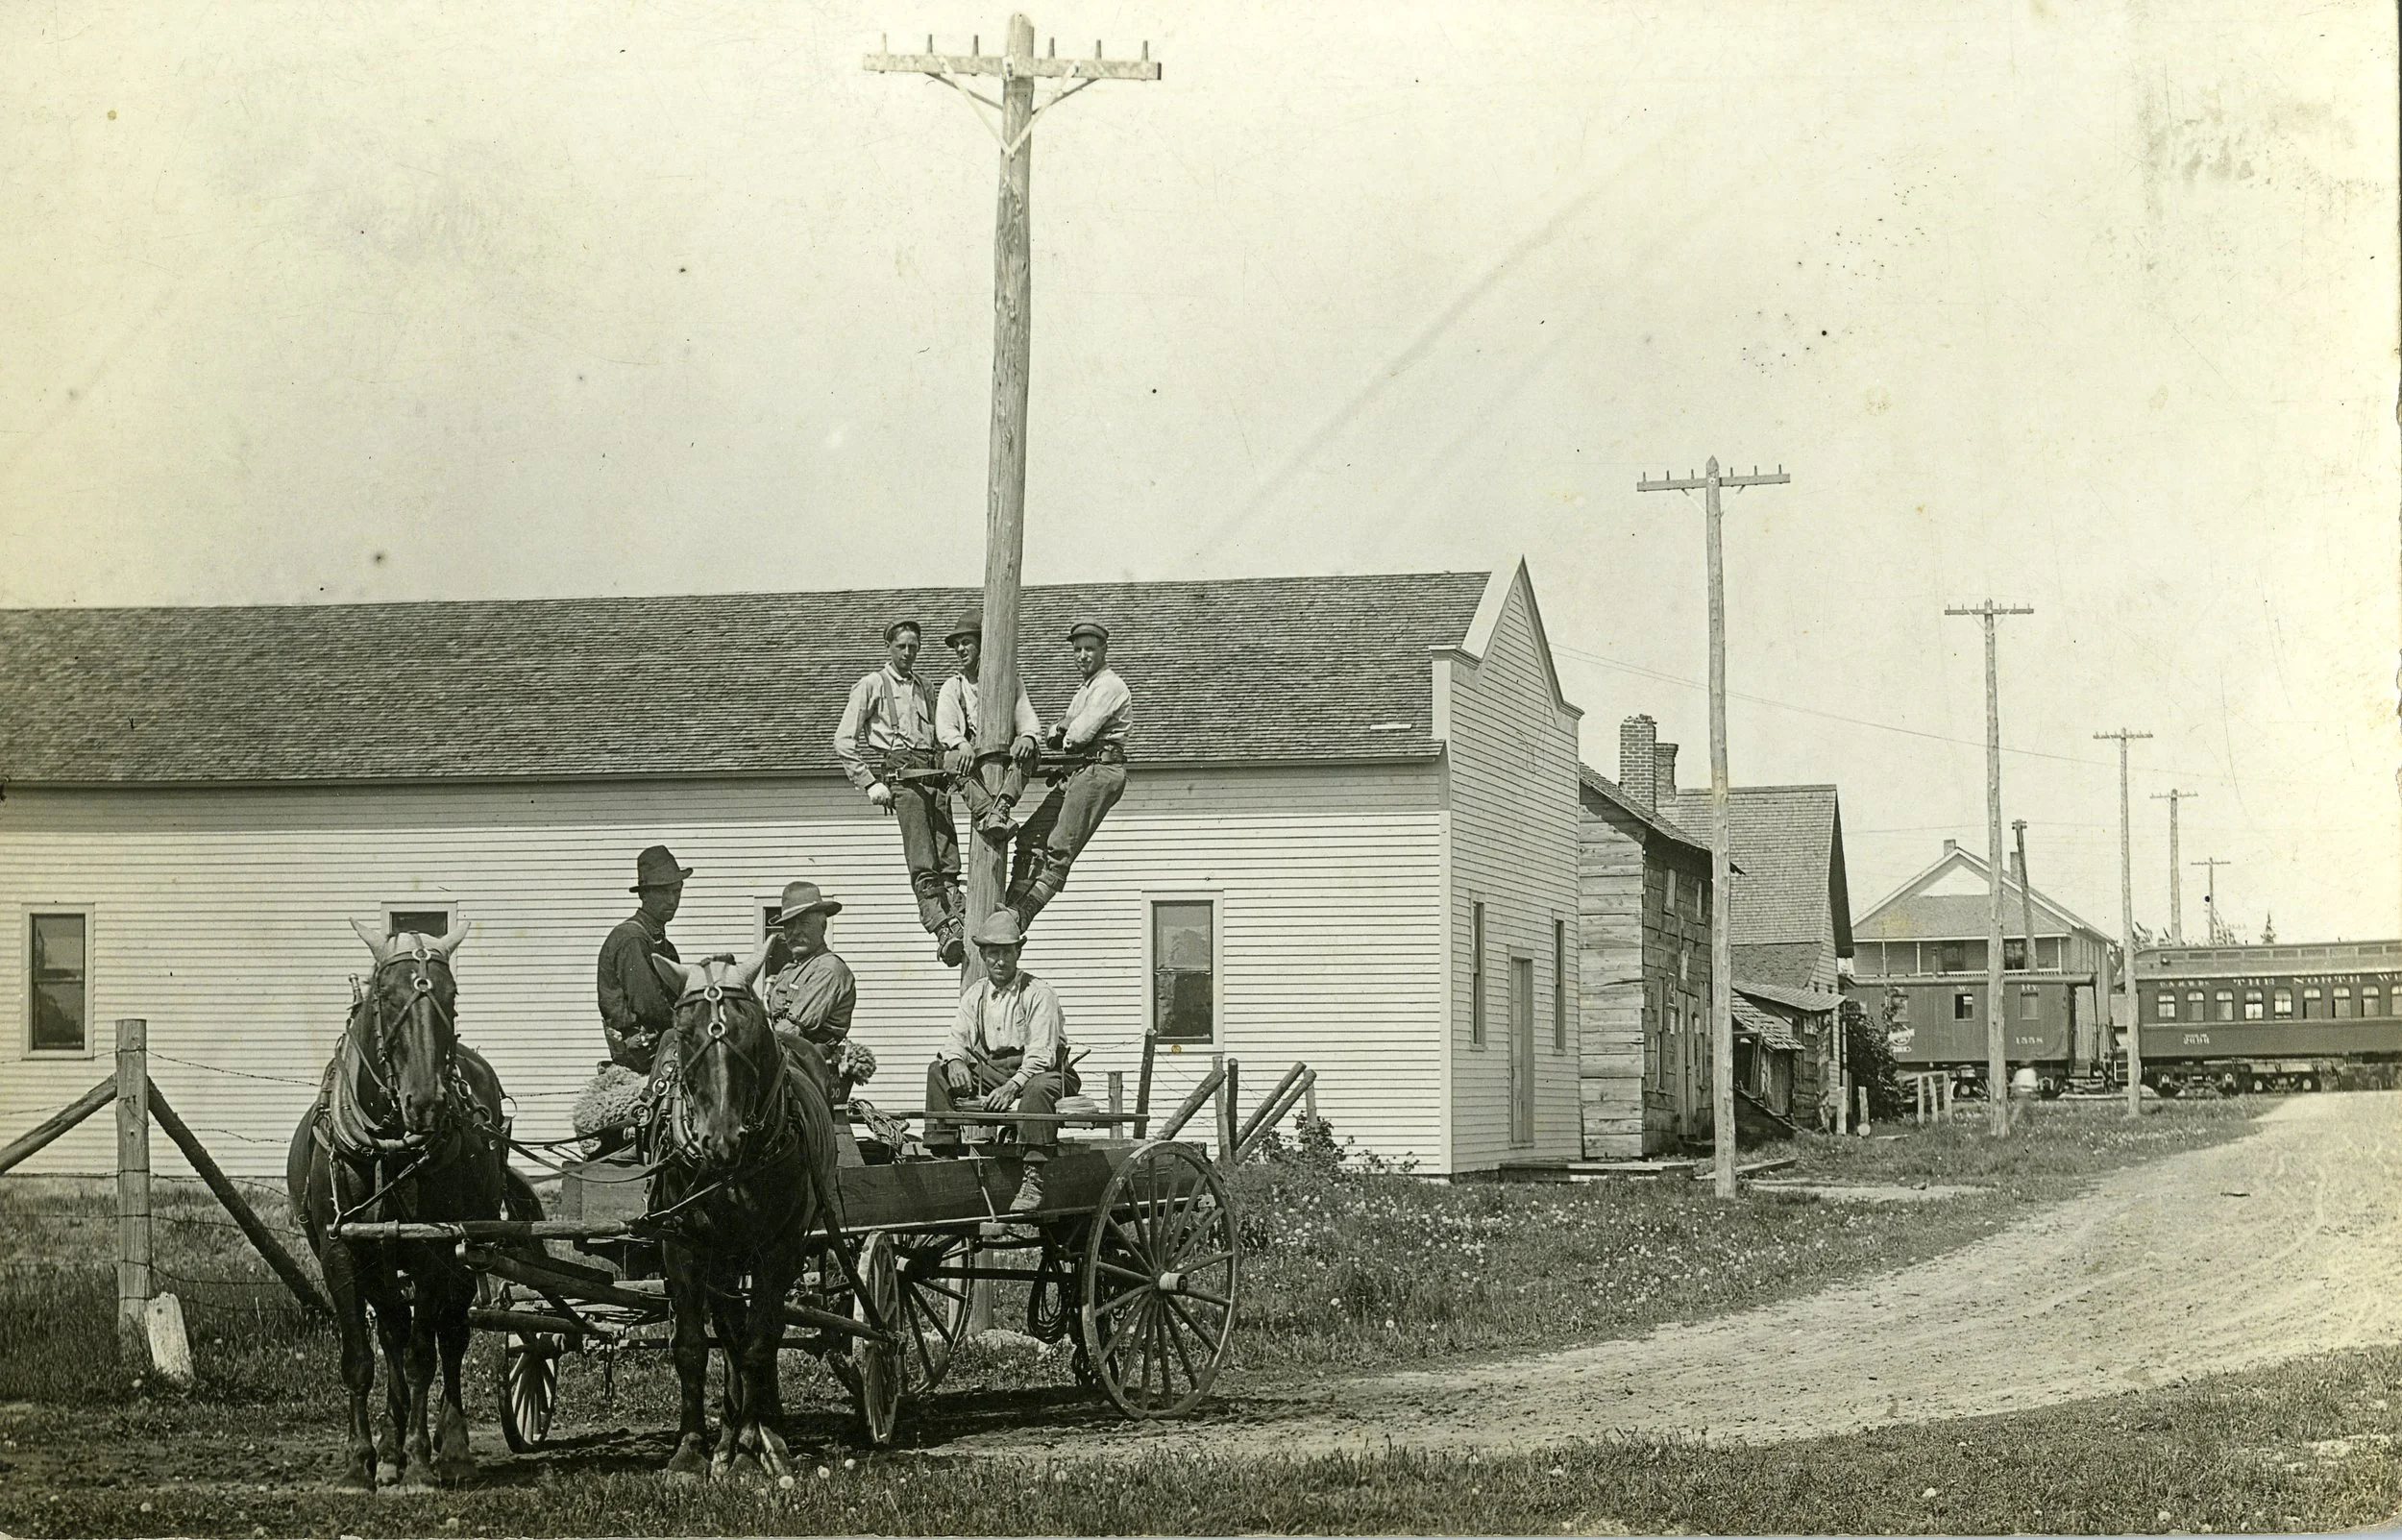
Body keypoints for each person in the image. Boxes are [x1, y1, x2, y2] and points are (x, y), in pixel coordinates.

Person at [924, 910, 1079, 1212]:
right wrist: (955, 1061)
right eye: (992, 952)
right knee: (937, 1071)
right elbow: (956, 1037)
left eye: (1006, 952)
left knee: (1036, 1090)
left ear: (1018, 951)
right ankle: (942, 1161)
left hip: (1047, 1072)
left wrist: (1012, 1087)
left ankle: (1033, 1176)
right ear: (982, 955)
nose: (999, 960)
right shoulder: (976, 994)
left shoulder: (1038, 993)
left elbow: (1042, 1055)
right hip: (996, 1070)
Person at [834, 620, 964, 966]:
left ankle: (960, 917)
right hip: (904, 777)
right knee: (923, 858)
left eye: (914, 647)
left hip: (934, 773)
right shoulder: (872, 685)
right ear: (889, 647)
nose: (908, 653)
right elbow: (844, 740)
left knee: (948, 855)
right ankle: (940, 927)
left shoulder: (926, 685)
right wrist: (869, 782)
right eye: (902, 647)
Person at [1006, 621, 1130, 929]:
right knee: (1031, 835)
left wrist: (1065, 729)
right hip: (1079, 769)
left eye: (1090, 649)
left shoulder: (1109, 685)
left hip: (1100, 769)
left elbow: (1076, 735)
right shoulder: (1085, 688)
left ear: (1104, 650)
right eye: (1077, 650)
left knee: (1058, 848)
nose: (1083, 656)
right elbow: (1055, 734)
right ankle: (1010, 904)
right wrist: (1062, 730)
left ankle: (1022, 915)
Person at [760, 879, 875, 1104]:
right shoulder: (790, 969)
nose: (794, 932)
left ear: (823, 926)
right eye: (789, 926)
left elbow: (791, 1030)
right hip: (785, 1056)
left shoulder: (829, 969)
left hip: (807, 1063)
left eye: (803, 923)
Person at [935, 608, 1043, 841]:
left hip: (1006, 753)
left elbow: (1027, 717)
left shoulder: (1010, 680)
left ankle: (1002, 805)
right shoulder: (953, 686)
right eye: (957, 644)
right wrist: (961, 744)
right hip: (972, 758)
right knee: (949, 759)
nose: (960, 649)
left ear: (983, 644)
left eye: (967, 642)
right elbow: (945, 728)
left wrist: (1027, 737)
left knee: (1032, 750)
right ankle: (987, 812)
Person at [596, 843, 689, 1075]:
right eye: (663, 892)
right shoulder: (632, 938)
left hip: (659, 1043)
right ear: (644, 894)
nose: (672, 900)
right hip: (641, 1050)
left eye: (676, 891)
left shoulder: (661, 943)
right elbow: (649, 1006)